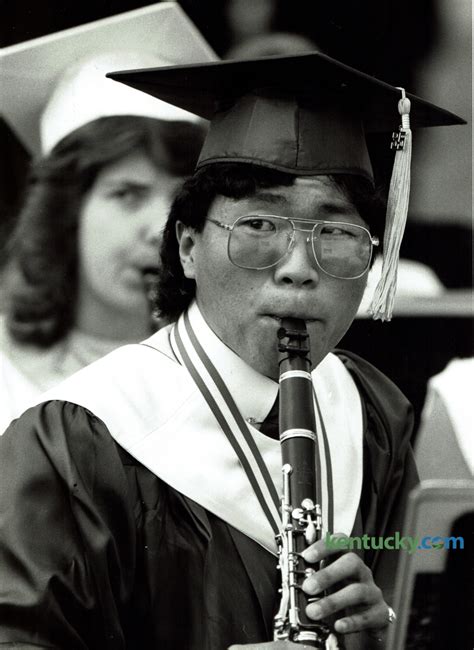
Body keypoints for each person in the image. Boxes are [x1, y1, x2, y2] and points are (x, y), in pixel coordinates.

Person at [0, 48, 464, 649]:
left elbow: (421, 560)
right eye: (259, 227)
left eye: (337, 233)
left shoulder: (371, 411)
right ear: (188, 247)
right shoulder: (74, 438)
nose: (299, 269)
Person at [0, 2, 214, 431]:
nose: (160, 229)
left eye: (181, 197)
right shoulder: (7, 376)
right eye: (127, 194)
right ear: (66, 211)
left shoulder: (220, 377)